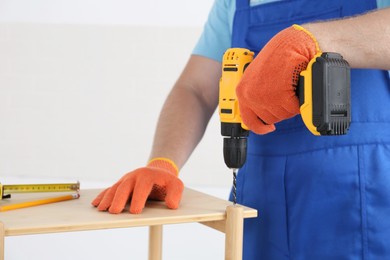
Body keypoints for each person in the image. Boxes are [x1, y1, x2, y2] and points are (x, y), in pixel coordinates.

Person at [92, 0, 390, 259]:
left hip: (357, 203)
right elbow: (195, 88)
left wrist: (317, 39)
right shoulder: (233, 2)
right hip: (260, 205)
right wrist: (164, 162)